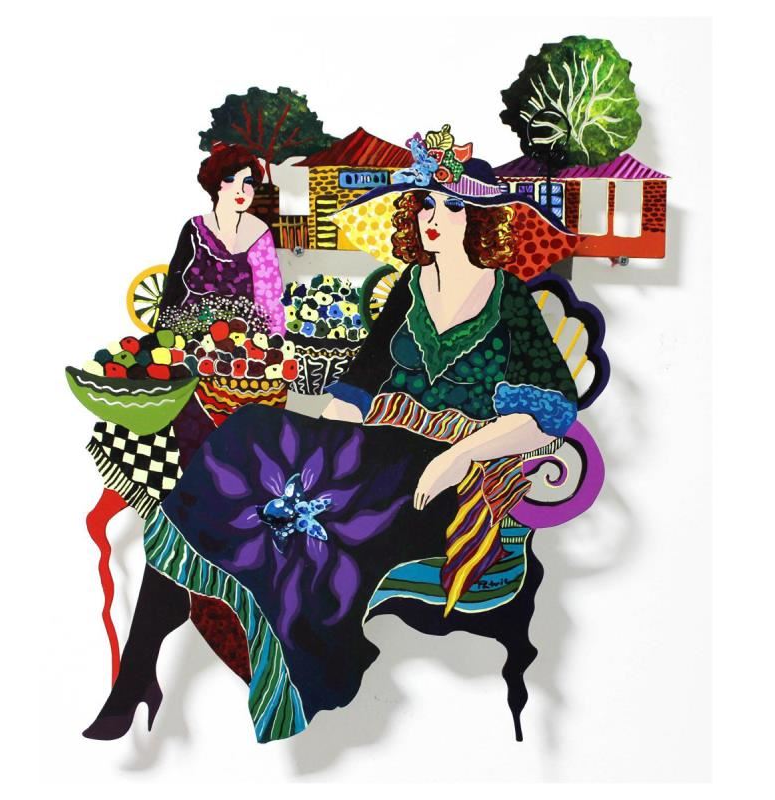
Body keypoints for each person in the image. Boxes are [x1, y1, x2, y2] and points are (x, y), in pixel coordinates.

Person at [83, 134, 581, 743]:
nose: (434, 217)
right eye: (426, 203)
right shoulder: (410, 286)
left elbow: (553, 412)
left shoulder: (510, 301)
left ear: (479, 220)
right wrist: (321, 437)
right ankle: (140, 670)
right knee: (254, 433)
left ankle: (181, 673)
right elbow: (358, 384)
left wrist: (459, 456)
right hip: (377, 446)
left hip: (450, 469)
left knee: (301, 518)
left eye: (452, 206)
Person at [84, 143, 284, 685]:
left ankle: (216, 597)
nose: (243, 191)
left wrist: (260, 349)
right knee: (180, 479)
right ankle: (183, 581)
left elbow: (273, 310)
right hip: (192, 370)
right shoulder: (194, 231)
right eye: (234, 181)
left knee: (231, 491)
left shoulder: (261, 238)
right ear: (216, 185)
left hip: (243, 376)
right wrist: (174, 345)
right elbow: (171, 302)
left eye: (250, 183)